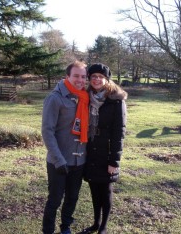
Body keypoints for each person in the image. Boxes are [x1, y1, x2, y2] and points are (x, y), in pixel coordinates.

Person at [41, 60, 89, 234]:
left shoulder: (85, 97)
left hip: (79, 160)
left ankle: (66, 227)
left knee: (72, 197)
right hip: (59, 161)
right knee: (54, 200)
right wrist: (58, 160)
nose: (80, 80)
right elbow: (47, 132)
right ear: (67, 76)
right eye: (76, 76)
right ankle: (48, 231)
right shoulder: (55, 98)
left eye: (83, 77)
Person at [79, 63, 127, 234]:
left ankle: (104, 227)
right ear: (90, 79)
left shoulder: (116, 100)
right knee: (94, 188)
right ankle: (95, 223)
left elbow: (119, 132)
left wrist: (114, 159)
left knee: (106, 191)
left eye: (101, 76)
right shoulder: (85, 97)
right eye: (93, 76)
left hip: (106, 152)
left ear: (106, 79)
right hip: (90, 150)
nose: (97, 79)